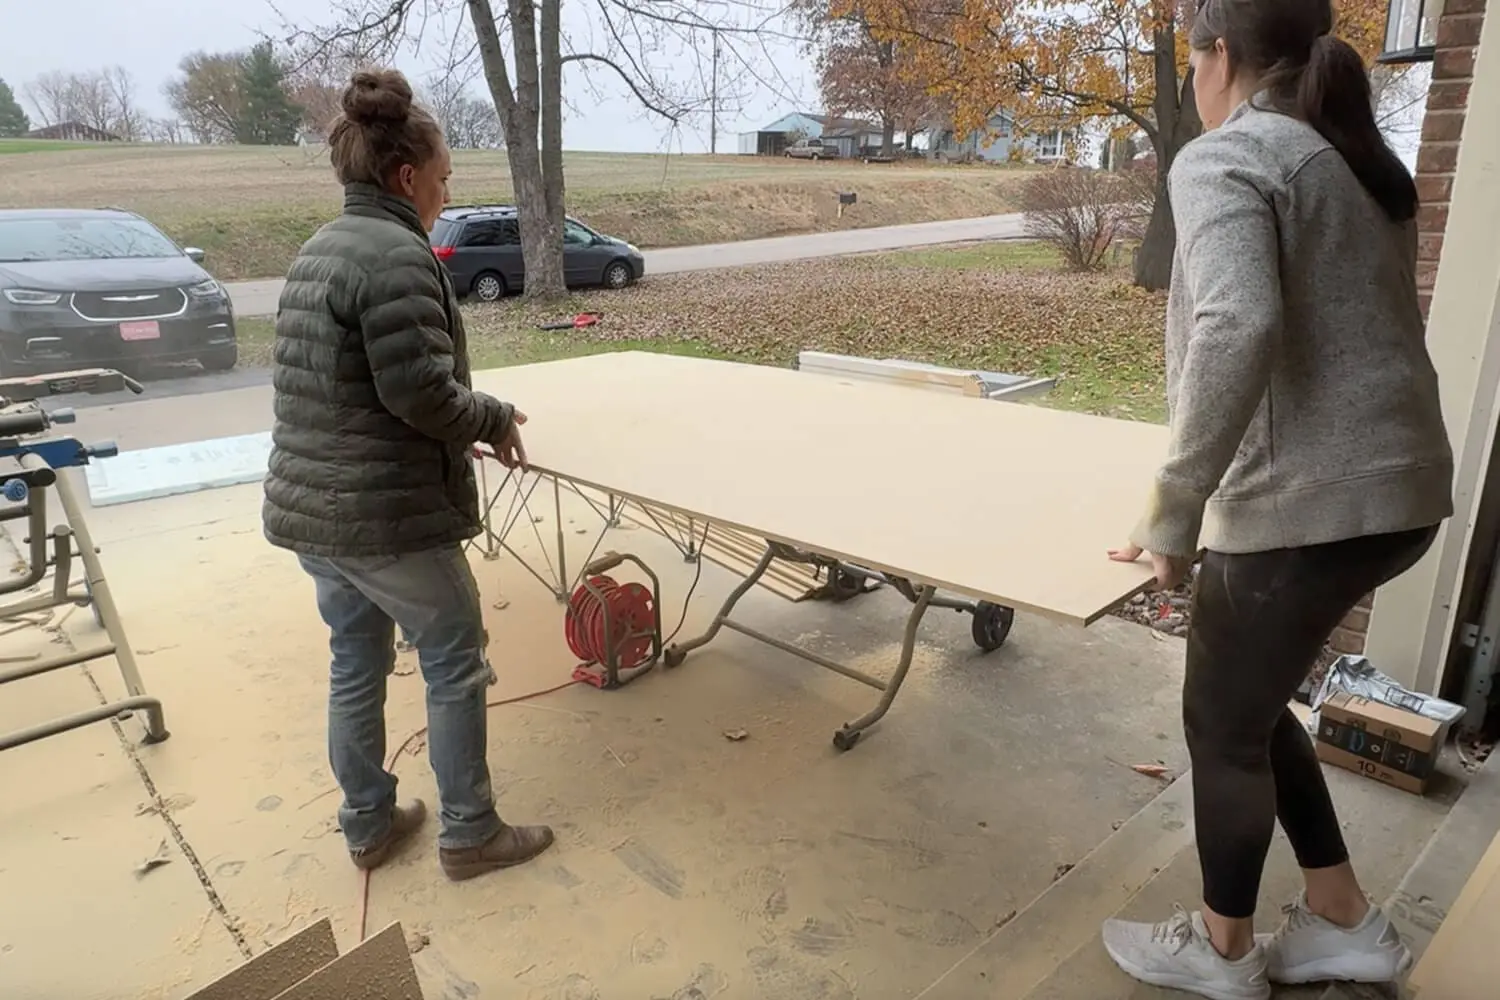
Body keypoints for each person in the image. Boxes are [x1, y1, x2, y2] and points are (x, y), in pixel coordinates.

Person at [1099, 0, 1455, 997]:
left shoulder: (1229, 156)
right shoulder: (1353, 158)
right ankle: (1345, 921)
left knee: (1219, 722)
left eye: (1191, 57)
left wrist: (1177, 502)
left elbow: (1236, 322)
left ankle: (1221, 951)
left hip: (1313, 500)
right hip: (1400, 493)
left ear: (1218, 57)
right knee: (1251, 710)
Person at [262, 67, 554, 883]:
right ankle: (470, 832)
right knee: (454, 656)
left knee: (355, 661)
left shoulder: (322, 247)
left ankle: (369, 823)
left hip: (315, 514)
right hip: (382, 517)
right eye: (444, 177)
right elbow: (418, 392)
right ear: (406, 176)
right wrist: (493, 419)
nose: (444, 190)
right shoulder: (397, 255)